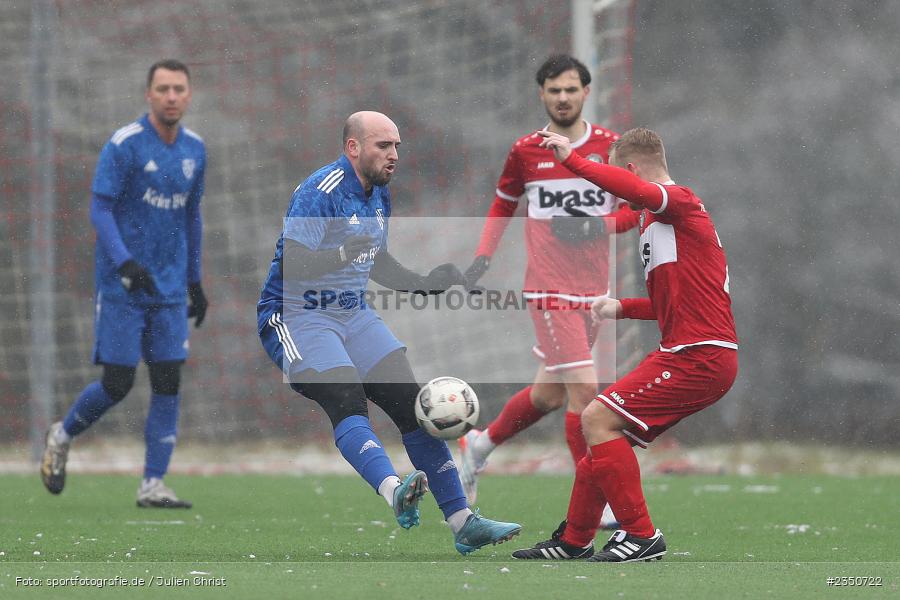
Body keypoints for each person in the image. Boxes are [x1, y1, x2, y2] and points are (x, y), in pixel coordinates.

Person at [256, 110, 521, 555]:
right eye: (383, 145)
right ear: (353, 147)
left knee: (413, 406)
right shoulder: (320, 191)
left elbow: (376, 262)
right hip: (297, 314)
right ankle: (393, 489)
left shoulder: (379, 195)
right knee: (346, 398)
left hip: (352, 313)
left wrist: (426, 283)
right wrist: (342, 251)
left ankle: (463, 522)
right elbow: (294, 267)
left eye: (396, 146)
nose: (394, 155)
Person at [512, 127, 738, 562]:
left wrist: (573, 161)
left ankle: (641, 534)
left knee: (596, 418)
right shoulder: (656, 220)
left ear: (632, 169)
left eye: (619, 176)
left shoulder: (680, 201)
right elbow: (673, 303)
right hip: (693, 353)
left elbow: (632, 189)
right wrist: (622, 307)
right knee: (600, 440)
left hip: (700, 356)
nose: (620, 194)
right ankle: (574, 541)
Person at [459, 54, 639, 523]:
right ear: (542, 94)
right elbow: (502, 207)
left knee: (550, 396)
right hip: (548, 291)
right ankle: (595, 501)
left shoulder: (610, 147)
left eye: (571, 89)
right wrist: (482, 258)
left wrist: (595, 226)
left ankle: (481, 442)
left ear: (586, 93)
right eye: (554, 90)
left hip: (593, 293)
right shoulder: (526, 151)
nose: (563, 98)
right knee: (586, 396)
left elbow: (634, 210)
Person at [40, 59, 208, 508]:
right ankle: (62, 433)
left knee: (168, 380)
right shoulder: (125, 145)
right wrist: (125, 263)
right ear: (148, 95)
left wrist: (195, 281)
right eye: (163, 89)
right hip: (124, 288)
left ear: (189, 96)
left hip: (170, 288)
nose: (171, 96)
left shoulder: (196, 149)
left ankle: (153, 483)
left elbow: (192, 216)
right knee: (117, 383)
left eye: (179, 89)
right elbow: (100, 210)